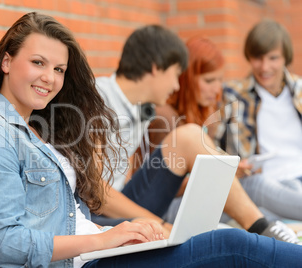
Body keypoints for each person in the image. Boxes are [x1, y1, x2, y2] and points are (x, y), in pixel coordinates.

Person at [0, 12, 302, 267]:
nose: (49, 78)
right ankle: (267, 231)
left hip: (99, 244)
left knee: (222, 240)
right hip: (90, 254)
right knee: (231, 245)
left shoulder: (37, 127)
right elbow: (4, 245)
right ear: (7, 61)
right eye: (38, 63)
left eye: (59, 70)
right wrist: (113, 237)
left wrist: (122, 235)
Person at [92, 25, 300, 244]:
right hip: (98, 218)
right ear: (156, 68)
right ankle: (266, 233)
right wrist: (160, 225)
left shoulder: (142, 109)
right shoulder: (98, 99)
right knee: (191, 138)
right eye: (174, 75)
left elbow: (138, 176)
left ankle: (265, 231)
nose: (175, 85)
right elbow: (97, 192)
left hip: (126, 203)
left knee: (193, 140)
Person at [149, 35, 302, 242]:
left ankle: (279, 230)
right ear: (185, 77)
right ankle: (270, 231)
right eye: (209, 80)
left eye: (220, 80)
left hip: (193, 202)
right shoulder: (165, 118)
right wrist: (225, 176)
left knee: (277, 190)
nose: (218, 89)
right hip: (165, 213)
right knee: (254, 186)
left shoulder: (203, 114)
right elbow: (160, 187)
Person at [210, 19, 302, 222]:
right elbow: (211, 146)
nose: (265, 67)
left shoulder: (300, 91)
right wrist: (232, 165)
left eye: (273, 58)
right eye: (257, 58)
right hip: (264, 184)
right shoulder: (232, 94)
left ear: (286, 57)